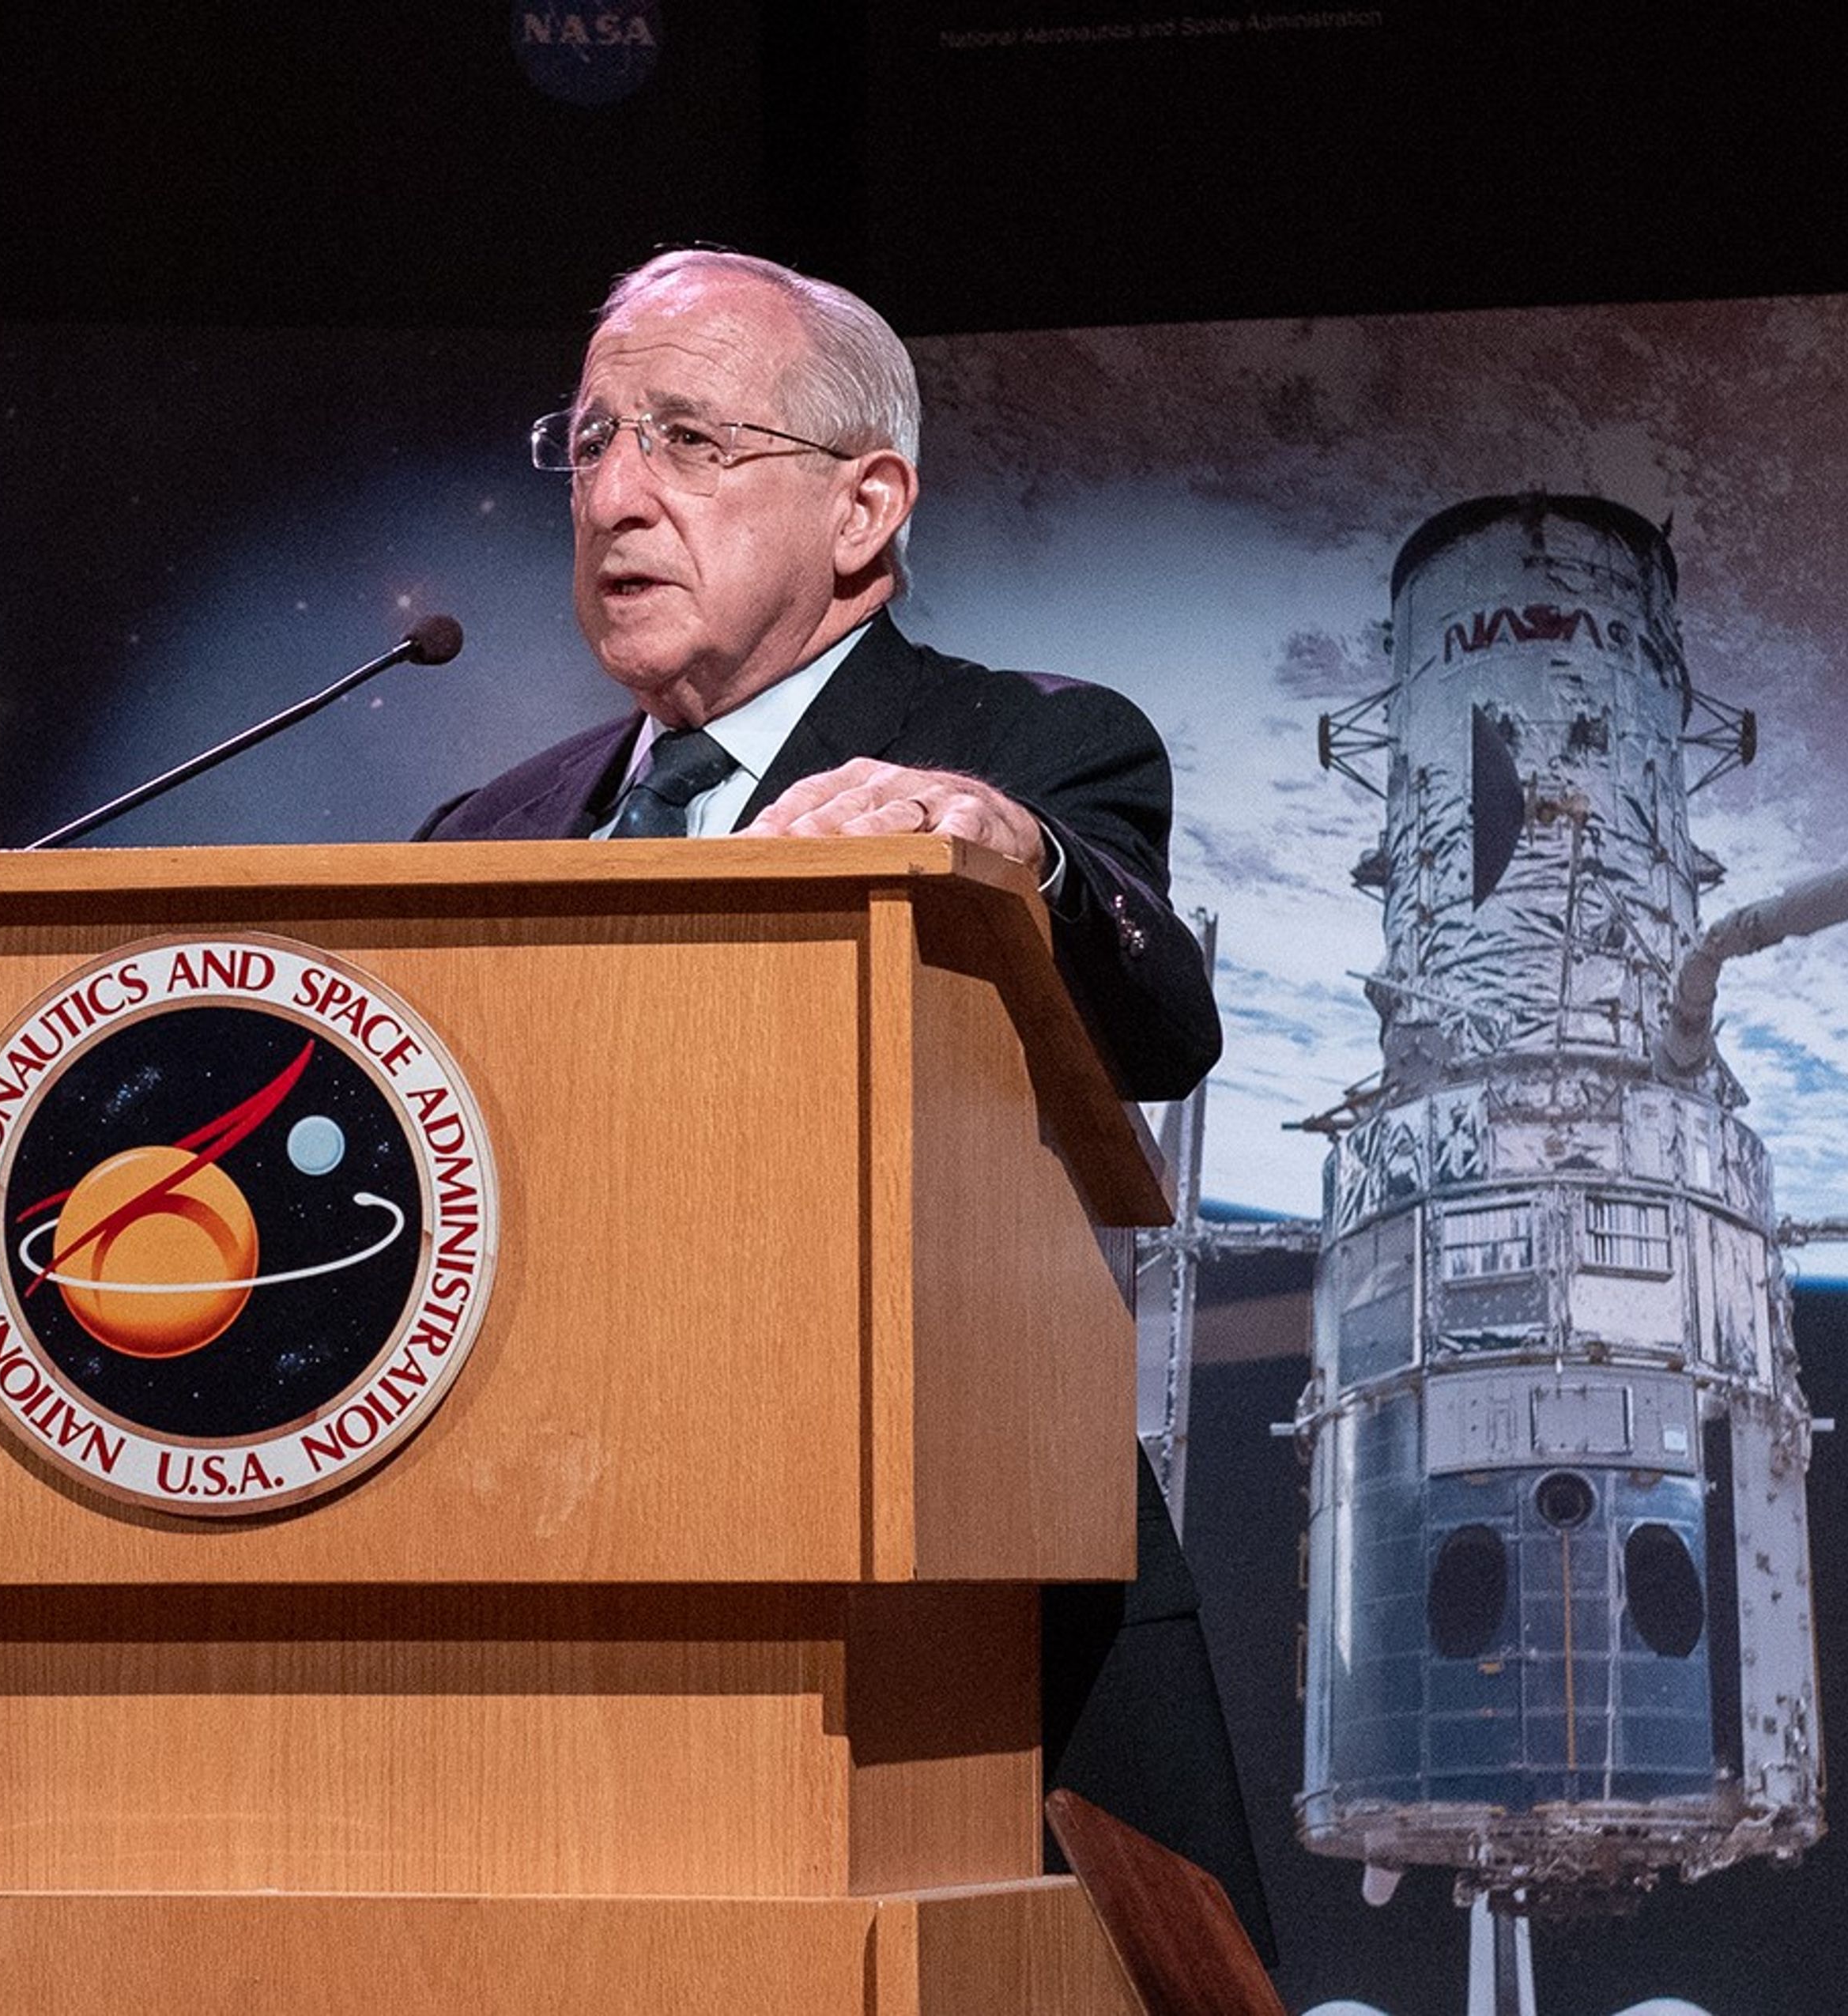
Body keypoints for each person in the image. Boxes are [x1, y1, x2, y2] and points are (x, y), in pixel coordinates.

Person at [418, 247, 1272, 1960]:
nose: (615, 495)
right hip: (553, 1570)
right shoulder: (483, 832)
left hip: (951, 1595)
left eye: (687, 439)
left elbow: (1160, 1017)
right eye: (589, 441)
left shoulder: (1027, 747)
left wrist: (1011, 851)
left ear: (865, 508)